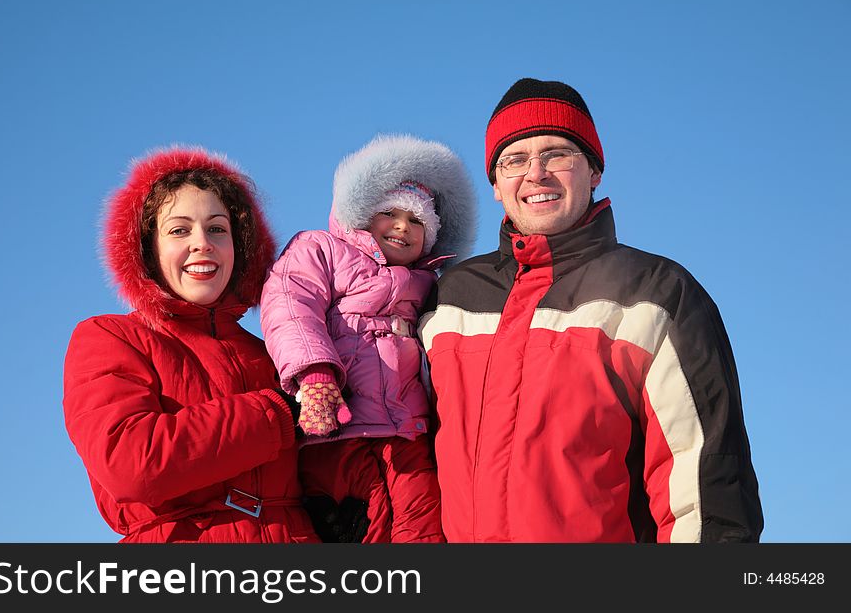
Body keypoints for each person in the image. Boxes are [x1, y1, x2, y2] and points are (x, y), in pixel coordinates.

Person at [418, 78, 764, 543]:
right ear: (496, 185)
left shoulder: (658, 295)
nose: (535, 173)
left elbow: (706, 489)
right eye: (515, 159)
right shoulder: (449, 299)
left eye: (557, 154)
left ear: (594, 170)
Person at [63, 147, 319, 543]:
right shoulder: (110, 337)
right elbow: (133, 463)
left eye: (218, 228)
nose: (202, 242)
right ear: (148, 249)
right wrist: (276, 412)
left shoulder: (277, 355)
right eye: (179, 230)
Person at [261, 134, 476, 542]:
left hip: (407, 434)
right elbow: (290, 304)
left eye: (417, 221)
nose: (402, 226)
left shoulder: (430, 283)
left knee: (423, 529)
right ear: (362, 213)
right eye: (390, 213)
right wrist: (315, 374)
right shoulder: (323, 250)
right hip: (339, 429)